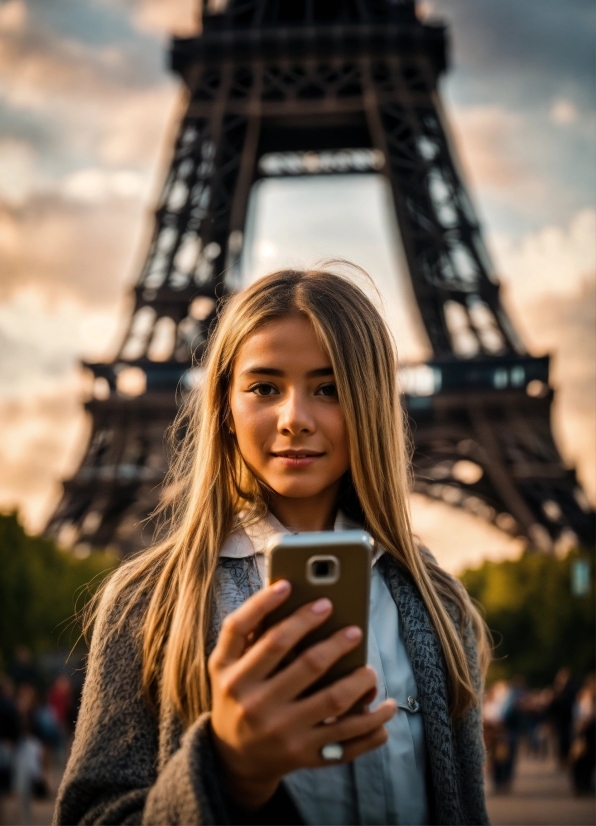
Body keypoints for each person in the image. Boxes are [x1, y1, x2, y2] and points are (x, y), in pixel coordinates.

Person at [54, 267, 491, 825]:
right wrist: (229, 770)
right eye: (264, 388)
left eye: (328, 388)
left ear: (372, 403)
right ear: (225, 410)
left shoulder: (439, 605)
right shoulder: (147, 603)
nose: (295, 420)